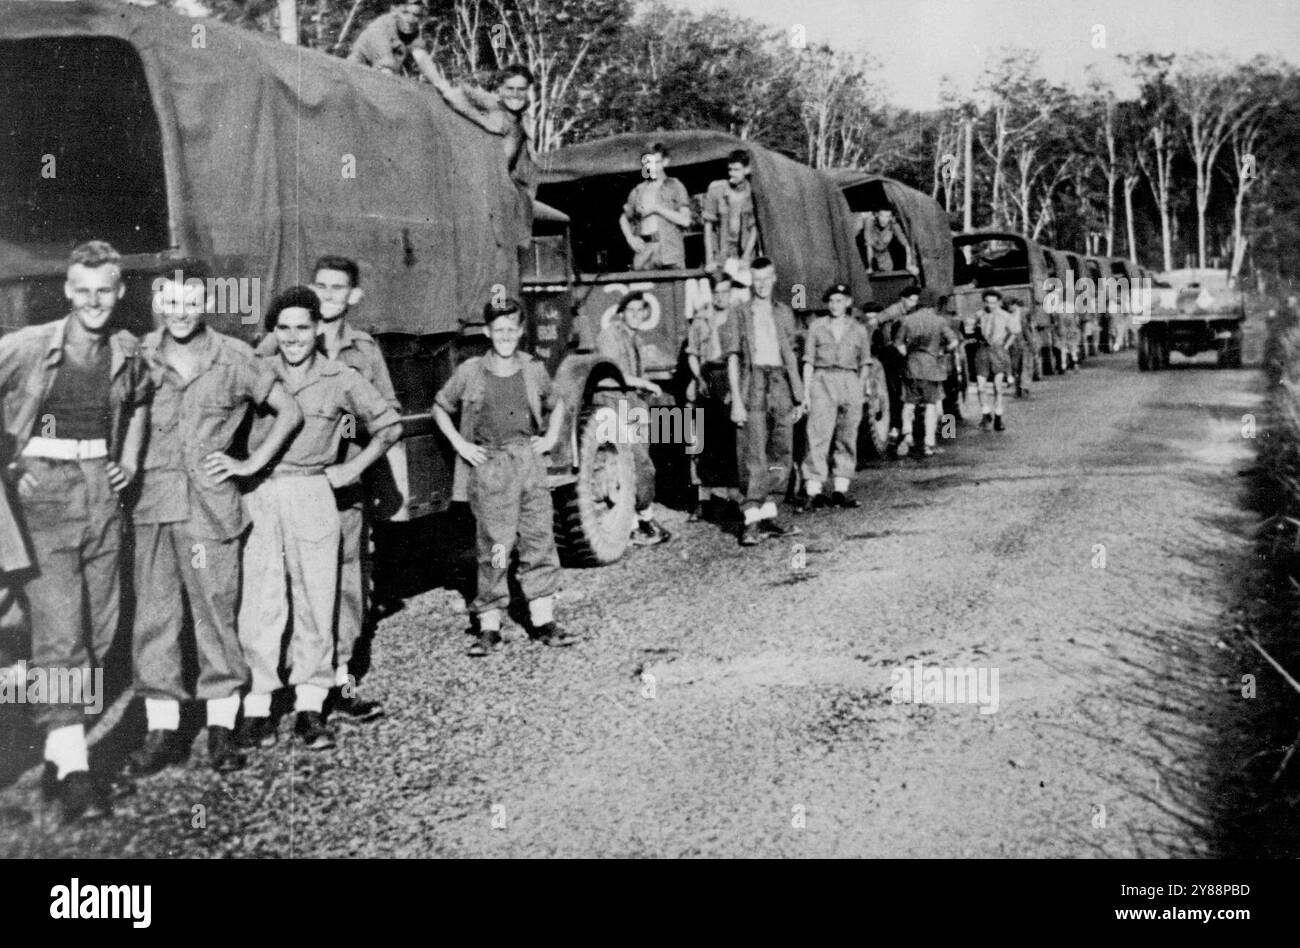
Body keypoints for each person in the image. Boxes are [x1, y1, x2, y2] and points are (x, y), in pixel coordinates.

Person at [126, 262, 303, 777]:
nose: (181, 312)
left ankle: (221, 729)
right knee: (154, 619)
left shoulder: (234, 357)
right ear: (159, 303)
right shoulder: (138, 356)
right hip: (153, 506)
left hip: (210, 509)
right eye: (171, 302)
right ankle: (162, 731)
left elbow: (288, 411)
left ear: (206, 303)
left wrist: (249, 463)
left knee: (215, 617)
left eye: (191, 302)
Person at [0, 240, 150, 821]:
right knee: (61, 633)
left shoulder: (126, 350)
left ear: (118, 292)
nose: (94, 302)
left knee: (101, 627)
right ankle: (77, 770)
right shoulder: (29, 346)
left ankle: (61, 764)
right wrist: (9, 467)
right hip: (46, 491)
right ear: (67, 291)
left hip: (101, 490)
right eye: (82, 291)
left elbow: (138, 402)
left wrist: (130, 461)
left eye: (104, 291)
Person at [237, 288, 402, 752]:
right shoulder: (256, 373)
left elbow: (387, 426)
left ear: (317, 329)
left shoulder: (340, 377)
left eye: (302, 327)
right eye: (284, 328)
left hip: (313, 491)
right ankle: (259, 706)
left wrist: (351, 469)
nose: (293, 338)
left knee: (316, 599)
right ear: (273, 331)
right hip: (262, 492)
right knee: (261, 602)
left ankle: (311, 706)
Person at [433, 299, 576, 657]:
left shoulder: (532, 368)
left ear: (521, 331)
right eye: (499, 329)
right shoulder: (470, 371)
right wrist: (460, 444)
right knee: (496, 547)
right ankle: (490, 626)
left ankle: (544, 622)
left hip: (528, 462)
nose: (506, 336)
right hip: (492, 464)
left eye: (512, 329)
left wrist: (552, 437)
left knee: (539, 539)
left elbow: (556, 403)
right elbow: (440, 406)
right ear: (487, 332)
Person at [724, 257, 807, 546]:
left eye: (766, 279)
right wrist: (736, 399)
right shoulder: (739, 313)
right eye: (756, 280)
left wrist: (799, 396)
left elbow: (791, 356)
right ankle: (751, 521)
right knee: (753, 454)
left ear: (774, 279)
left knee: (781, 452)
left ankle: (770, 515)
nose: (761, 285)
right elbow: (733, 357)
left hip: (781, 384)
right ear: (751, 281)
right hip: (754, 383)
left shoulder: (784, 312)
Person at [597, 293, 672, 546]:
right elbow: (614, 373)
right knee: (636, 462)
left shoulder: (635, 338)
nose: (637, 315)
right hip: (617, 403)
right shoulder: (610, 335)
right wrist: (645, 383)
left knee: (639, 461)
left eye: (641, 310)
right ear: (621, 313)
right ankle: (639, 522)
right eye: (631, 310)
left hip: (633, 404)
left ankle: (640, 523)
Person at [797, 284, 872, 511]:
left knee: (847, 436)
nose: (835, 305)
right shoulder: (817, 327)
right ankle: (814, 491)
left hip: (849, 380)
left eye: (840, 300)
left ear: (848, 302)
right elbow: (809, 361)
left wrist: (859, 388)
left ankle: (840, 490)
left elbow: (865, 363)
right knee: (818, 435)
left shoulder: (858, 329)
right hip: (823, 380)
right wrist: (806, 394)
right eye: (831, 301)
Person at [428, 63, 537, 197]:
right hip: (471, 186)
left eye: (521, 89)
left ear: (527, 91)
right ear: (500, 89)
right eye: (510, 88)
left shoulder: (524, 122)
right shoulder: (492, 106)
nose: (515, 94)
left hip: (502, 191)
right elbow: (458, 95)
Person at [685, 271, 739, 521]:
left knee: (732, 440)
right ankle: (703, 500)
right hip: (706, 378)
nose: (721, 297)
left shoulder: (738, 316)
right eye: (717, 293)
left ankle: (733, 497)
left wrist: (734, 389)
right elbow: (693, 354)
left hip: (730, 378)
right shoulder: (700, 320)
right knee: (701, 441)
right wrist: (698, 378)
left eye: (725, 292)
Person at [896, 296, 961, 458]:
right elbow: (954, 342)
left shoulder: (906, 320)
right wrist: (943, 352)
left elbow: (898, 343)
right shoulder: (942, 321)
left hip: (912, 367)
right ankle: (944, 436)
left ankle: (908, 434)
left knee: (909, 403)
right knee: (945, 404)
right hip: (935, 368)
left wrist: (908, 357)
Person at [619, 143, 692, 271]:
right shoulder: (638, 190)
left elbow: (685, 220)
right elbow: (624, 218)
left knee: (675, 289)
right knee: (644, 289)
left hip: (670, 252)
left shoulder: (675, 186)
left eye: (656, 163)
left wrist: (656, 208)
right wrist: (631, 239)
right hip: (645, 251)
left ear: (665, 162)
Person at [870, 285, 921, 452]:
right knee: (895, 390)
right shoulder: (893, 311)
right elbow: (874, 321)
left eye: (915, 300)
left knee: (902, 390)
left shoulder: (908, 313)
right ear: (903, 299)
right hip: (890, 353)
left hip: (900, 353)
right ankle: (895, 429)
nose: (914, 303)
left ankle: (900, 428)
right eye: (911, 300)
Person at [347, 1, 436, 80]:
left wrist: (443, 87)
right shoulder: (380, 28)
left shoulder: (411, 32)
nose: (411, 19)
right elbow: (386, 66)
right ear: (394, 10)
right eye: (405, 12)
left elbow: (423, 58)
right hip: (355, 74)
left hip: (378, 77)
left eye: (416, 15)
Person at [702, 150, 758, 273]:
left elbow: (755, 228)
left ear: (747, 169)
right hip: (722, 251)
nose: (732, 174)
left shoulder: (754, 194)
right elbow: (708, 227)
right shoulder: (717, 190)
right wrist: (710, 258)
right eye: (730, 170)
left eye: (736, 170)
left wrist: (746, 256)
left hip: (744, 250)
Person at [973, 289, 1015, 431]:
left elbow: (1014, 333)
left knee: (998, 387)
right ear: (984, 302)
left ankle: (998, 417)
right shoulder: (979, 315)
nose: (991, 305)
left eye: (993, 302)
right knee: (980, 386)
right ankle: (985, 413)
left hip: (998, 351)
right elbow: (973, 331)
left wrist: (1005, 347)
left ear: (998, 302)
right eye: (988, 302)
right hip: (983, 351)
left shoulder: (1005, 316)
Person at [858, 208, 918, 276]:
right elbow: (868, 246)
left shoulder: (893, 224)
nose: (884, 219)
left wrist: (909, 265)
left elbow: (906, 245)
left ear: (890, 217)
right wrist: (869, 267)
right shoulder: (869, 221)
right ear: (877, 214)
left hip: (883, 253)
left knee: (887, 274)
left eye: (887, 216)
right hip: (867, 253)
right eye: (882, 215)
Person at [1004, 297, 1034, 398]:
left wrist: (1031, 342)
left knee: (1026, 366)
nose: (1008, 309)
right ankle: (1017, 390)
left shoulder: (1023, 313)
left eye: (1009, 306)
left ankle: (1025, 388)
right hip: (1012, 344)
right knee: (1015, 367)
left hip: (1023, 342)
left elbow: (1027, 328)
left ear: (1014, 304)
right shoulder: (1006, 316)